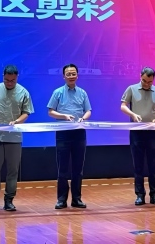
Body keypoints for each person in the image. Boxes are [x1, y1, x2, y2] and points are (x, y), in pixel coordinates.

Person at [0, 65, 34, 212]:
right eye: (7, 80)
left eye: (12, 80)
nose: (9, 83)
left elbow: (27, 112)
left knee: (13, 170)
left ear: (17, 78)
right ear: (3, 77)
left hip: (14, 137)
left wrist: (17, 121)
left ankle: (9, 200)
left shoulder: (23, 92)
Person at [47, 63, 92, 210]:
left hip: (79, 133)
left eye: (73, 74)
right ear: (64, 76)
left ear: (77, 76)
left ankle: (76, 199)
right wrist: (63, 116)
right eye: (68, 74)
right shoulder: (58, 92)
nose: (71, 76)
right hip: (63, 133)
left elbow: (88, 110)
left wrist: (84, 118)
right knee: (63, 168)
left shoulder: (83, 93)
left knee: (78, 168)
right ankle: (61, 199)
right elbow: (50, 111)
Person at [120, 67, 155, 206]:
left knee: (153, 164)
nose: (146, 84)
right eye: (144, 81)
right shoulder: (131, 89)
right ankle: (140, 195)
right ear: (140, 76)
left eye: (149, 82)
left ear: (153, 80)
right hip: (136, 131)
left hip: (152, 131)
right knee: (138, 164)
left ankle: (154, 194)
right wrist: (132, 114)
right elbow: (123, 105)